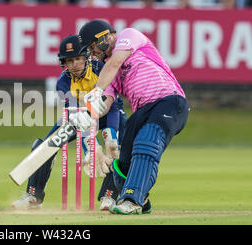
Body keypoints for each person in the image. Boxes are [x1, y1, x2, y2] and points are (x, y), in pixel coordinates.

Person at [71, 20, 189, 215]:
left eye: (92, 47)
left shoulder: (128, 36)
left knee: (146, 143)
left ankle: (131, 199)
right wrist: (87, 115)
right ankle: (143, 198)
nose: (92, 54)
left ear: (104, 37)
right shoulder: (108, 70)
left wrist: (96, 89)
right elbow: (104, 103)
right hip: (142, 111)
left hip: (169, 100)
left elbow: (116, 62)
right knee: (123, 162)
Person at [11, 34, 128, 210]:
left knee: (117, 148)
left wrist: (109, 132)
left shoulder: (101, 68)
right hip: (79, 116)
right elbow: (76, 117)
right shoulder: (63, 82)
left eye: (78, 59)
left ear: (87, 57)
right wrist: (90, 145)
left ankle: (109, 196)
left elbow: (111, 103)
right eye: (69, 60)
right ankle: (33, 197)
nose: (74, 64)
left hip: (111, 112)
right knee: (45, 147)